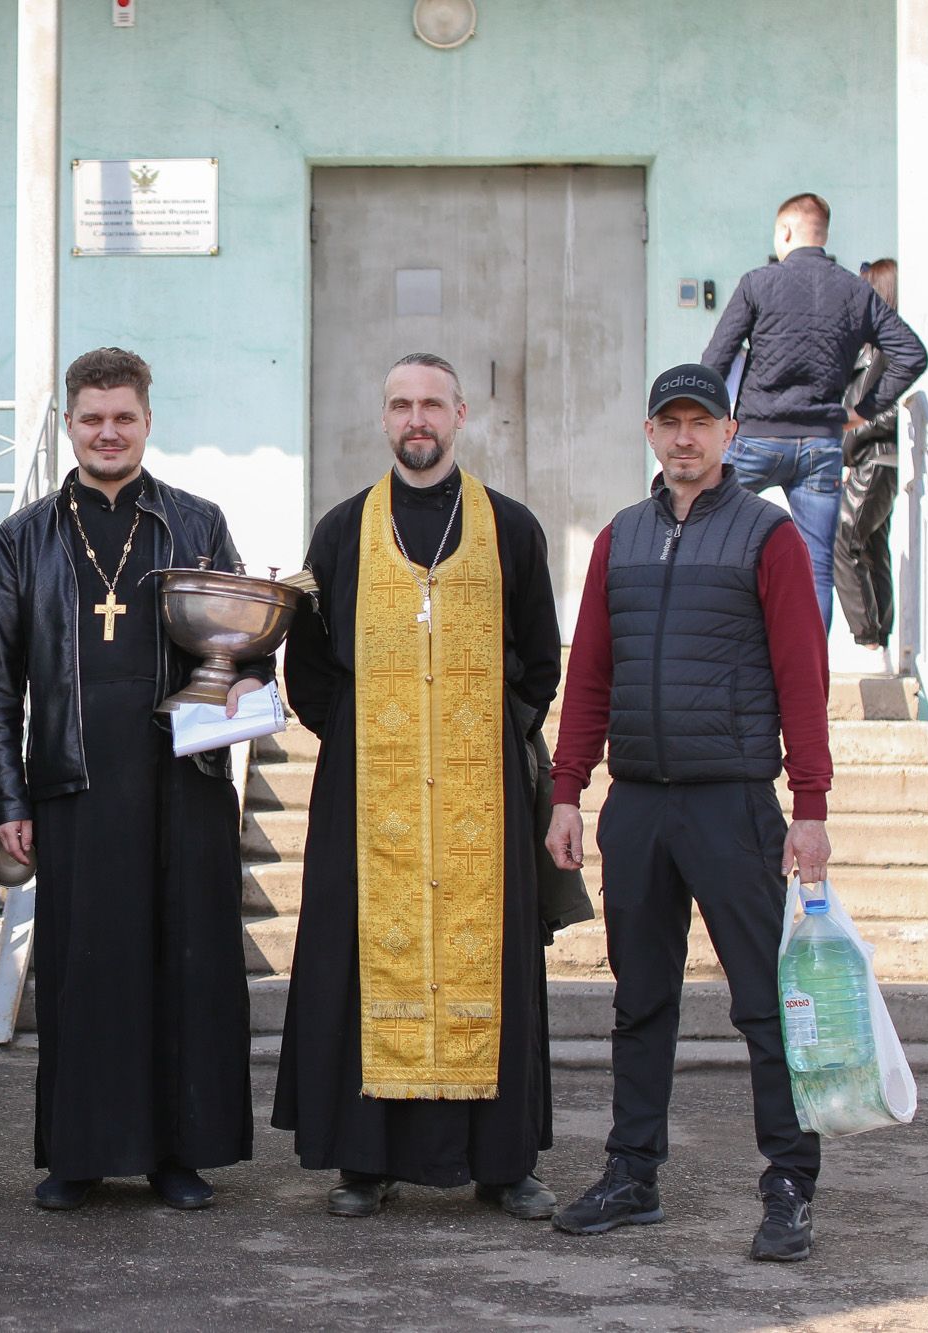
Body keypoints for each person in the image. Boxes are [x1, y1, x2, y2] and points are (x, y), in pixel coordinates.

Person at [544, 362, 833, 1263]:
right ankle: (633, 1172)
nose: (684, 438)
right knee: (641, 1001)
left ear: (729, 432)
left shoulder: (768, 537)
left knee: (762, 1003)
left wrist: (810, 804)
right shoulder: (620, 539)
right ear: (649, 433)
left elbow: (802, 677)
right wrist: (567, 790)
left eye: (699, 422)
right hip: (637, 808)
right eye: (669, 422)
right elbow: (589, 670)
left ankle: (789, 1181)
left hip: (734, 804)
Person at [273, 353, 565, 1219]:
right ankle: (365, 1163)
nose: (416, 419)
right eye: (400, 402)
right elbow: (311, 665)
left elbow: (540, 659)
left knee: (493, 968)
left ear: (461, 414)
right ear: (384, 415)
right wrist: (369, 743)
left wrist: (481, 735)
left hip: (483, 797)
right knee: (359, 963)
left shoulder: (511, 528)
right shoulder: (339, 531)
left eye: (431, 403)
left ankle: (503, 1165)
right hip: (372, 796)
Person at [0, 347, 264, 1211]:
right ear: (70, 424)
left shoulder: (196, 520)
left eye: (124, 418)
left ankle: (179, 1154)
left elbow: (243, 637)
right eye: (92, 418)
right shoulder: (25, 535)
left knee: (183, 964)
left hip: (183, 774)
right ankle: (79, 1154)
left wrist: (252, 680)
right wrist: (9, 799)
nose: (108, 433)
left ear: (147, 421)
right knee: (86, 970)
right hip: (75, 778)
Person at [701, 193, 928, 629]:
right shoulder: (855, 291)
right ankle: (808, 687)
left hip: (755, 439)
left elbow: (715, 360)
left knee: (714, 542)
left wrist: (713, 424)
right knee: (816, 569)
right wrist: (862, 410)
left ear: (784, 231)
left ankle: (718, 654)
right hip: (821, 446)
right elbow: (911, 354)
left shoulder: (757, 283)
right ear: (822, 234)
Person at [833, 259, 905, 674]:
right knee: (872, 548)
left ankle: (868, 641)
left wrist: (850, 435)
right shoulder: (874, 344)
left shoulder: (889, 347)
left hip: (876, 459)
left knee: (845, 539)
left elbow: (890, 413)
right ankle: (881, 644)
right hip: (871, 459)